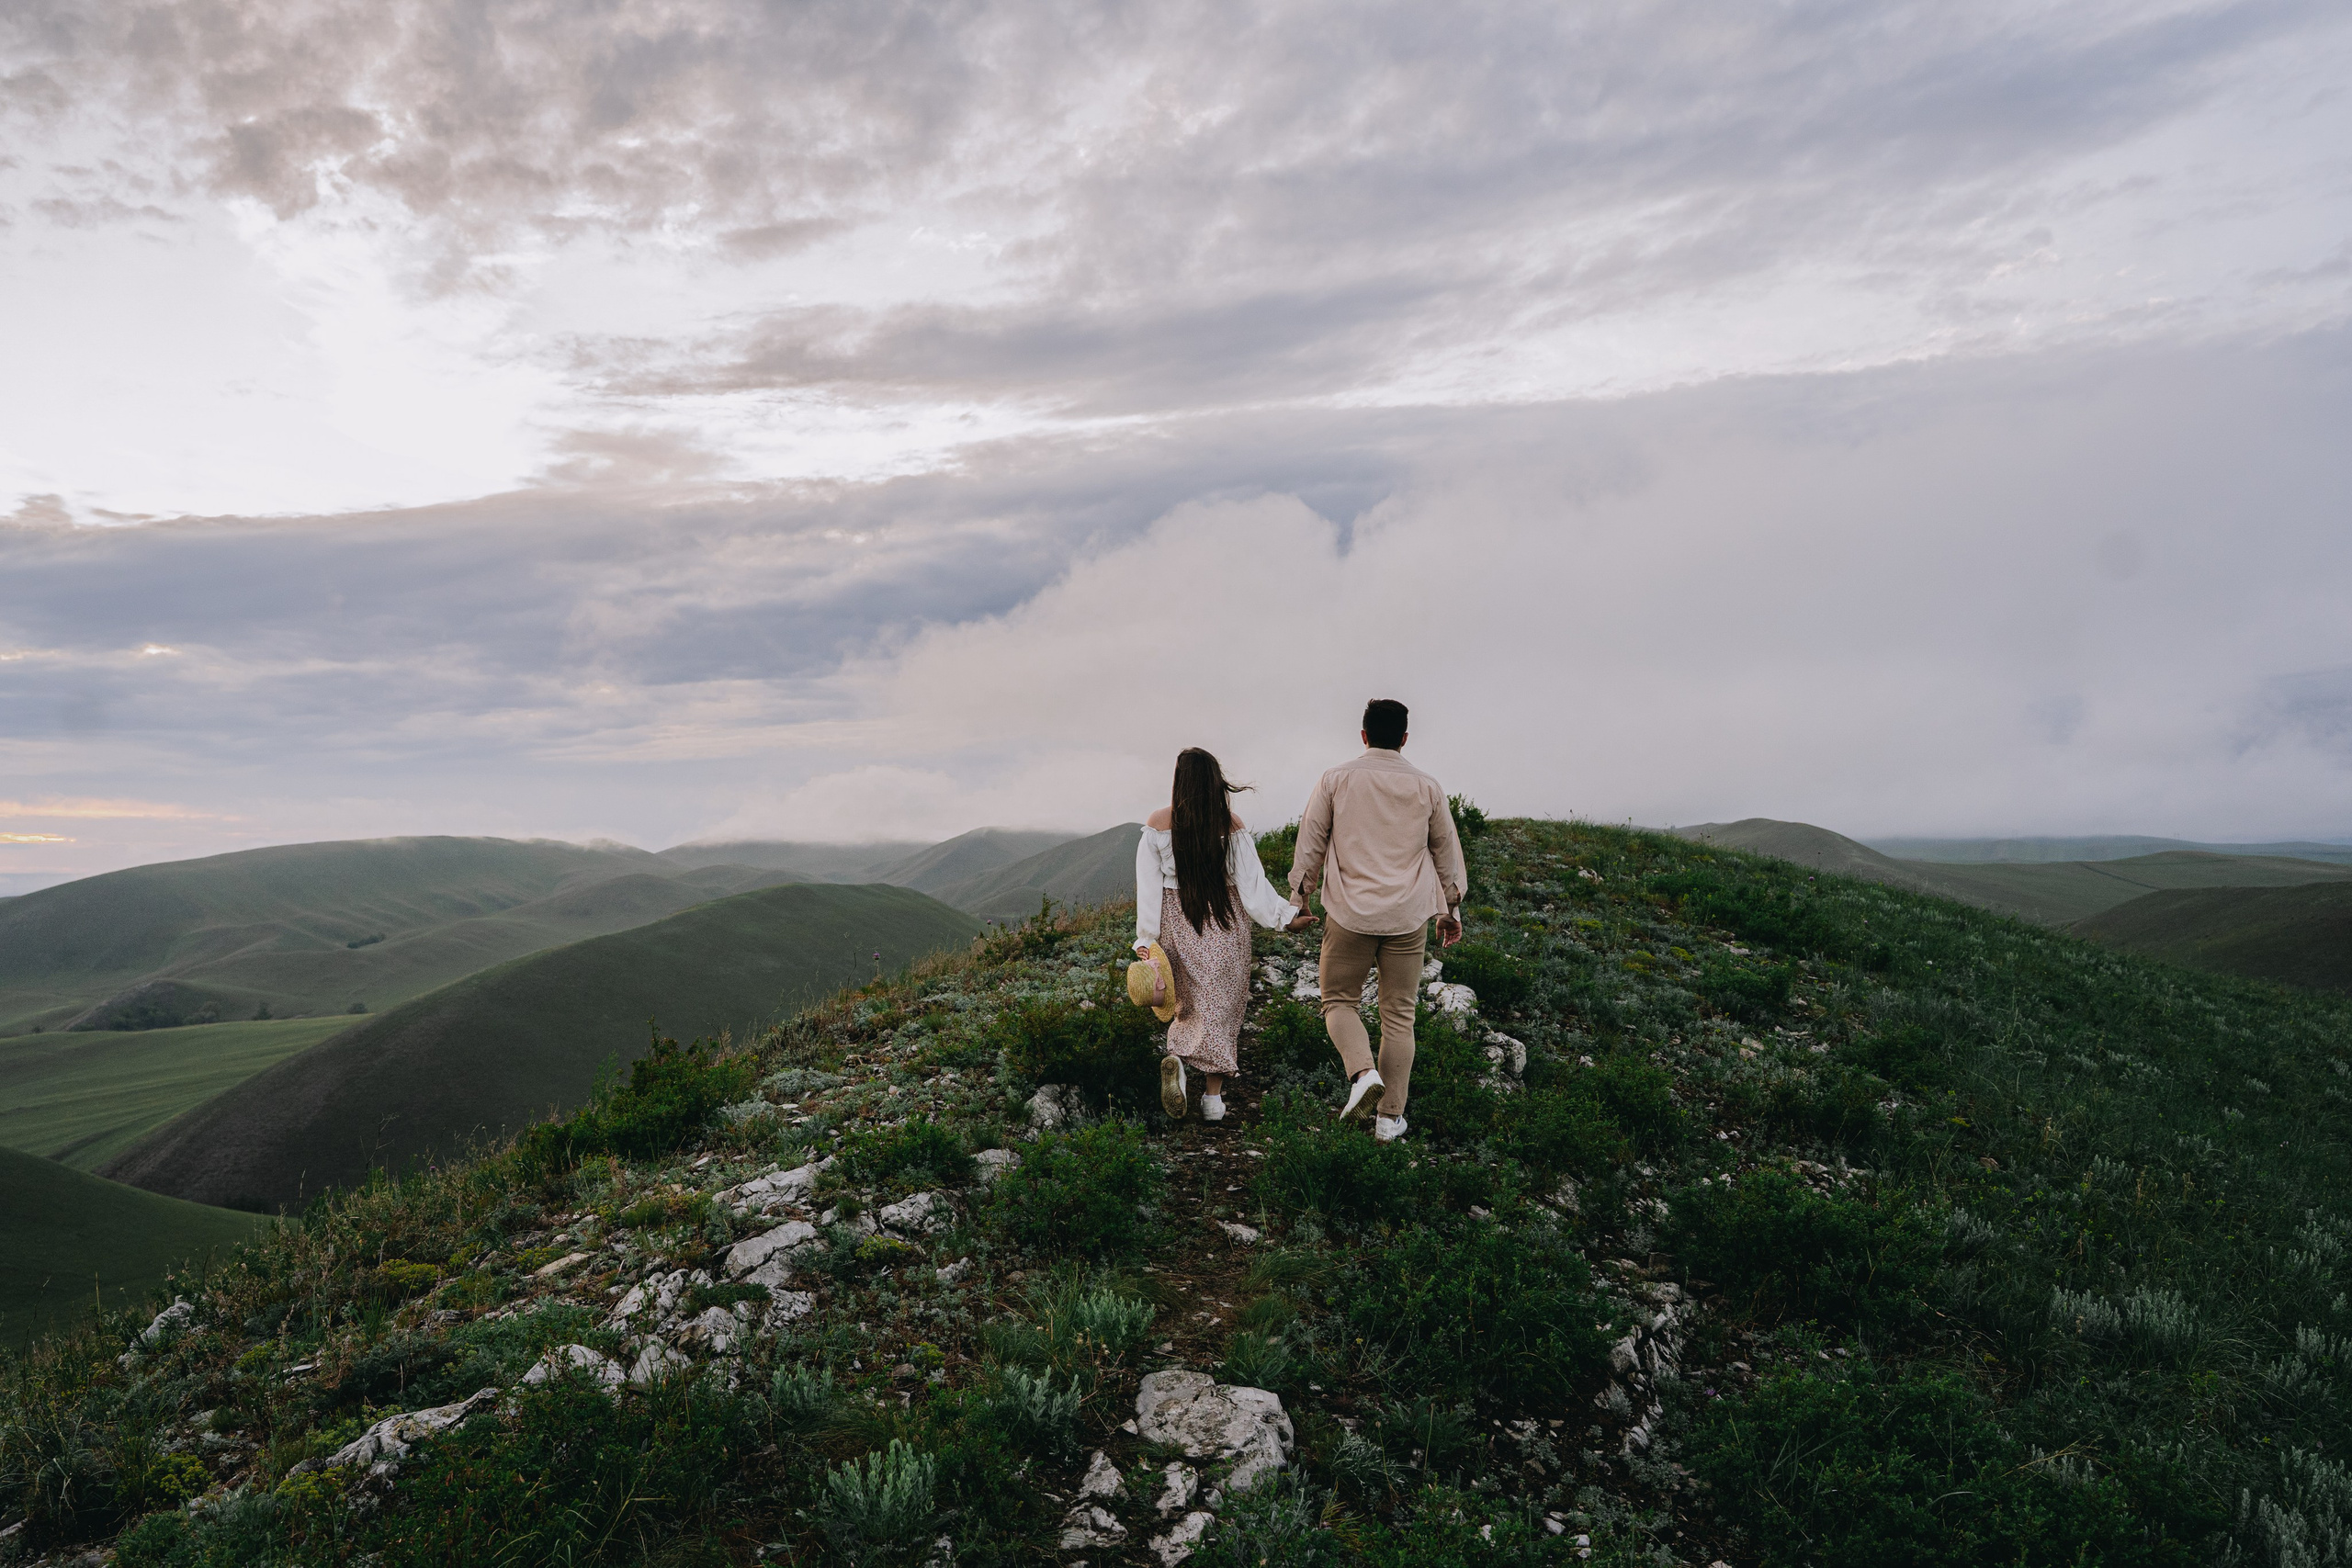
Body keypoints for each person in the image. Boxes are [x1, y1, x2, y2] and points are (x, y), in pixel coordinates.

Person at [1288, 698, 1467, 1144]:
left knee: (1338, 1002)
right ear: (1405, 738)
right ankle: (1389, 1120)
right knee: (1399, 1017)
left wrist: (1300, 897)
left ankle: (1363, 1074)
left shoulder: (1335, 779)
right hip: (1408, 919)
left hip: (1349, 915)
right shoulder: (1429, 787)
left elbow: (1310, 841)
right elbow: (1446, 851)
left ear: (1363, 735)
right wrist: (1451, 910)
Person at [1136, 748, 1317, 1122]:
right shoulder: (1230, 826)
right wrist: (1287, 916)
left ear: (1179, 781)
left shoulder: (1158, 825)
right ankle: (1213, 1100)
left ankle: (1179, 1062)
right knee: (1221, 1009)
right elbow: (1253, 887)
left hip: (1176, 922)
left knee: (1184, 1003)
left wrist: (1146, 940)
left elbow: (1148, 888)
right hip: (1223, 923)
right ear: (1215, 782)